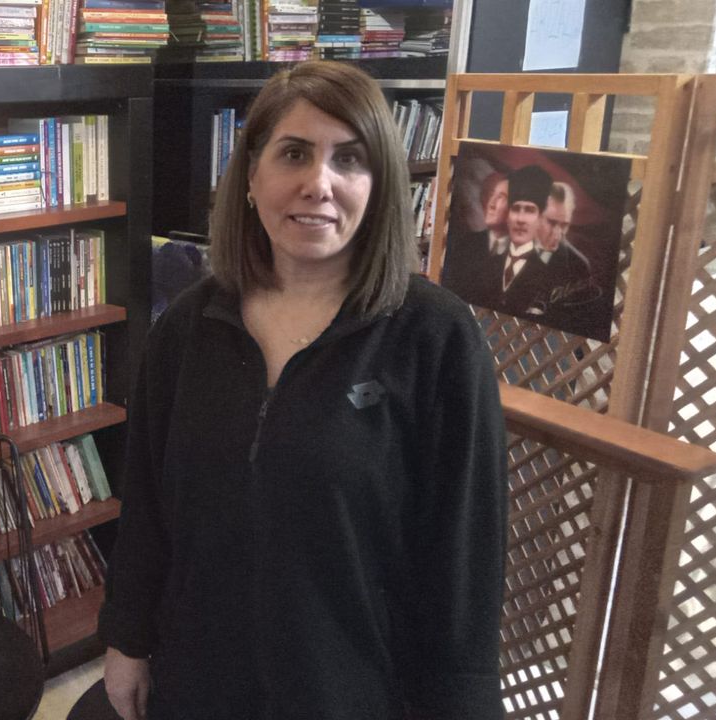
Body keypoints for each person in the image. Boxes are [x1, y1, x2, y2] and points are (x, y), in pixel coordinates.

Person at [98, 61, 507, 720]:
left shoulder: (435, 338)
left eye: (349, 159)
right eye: (294, 153)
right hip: (199, 684)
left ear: (379, 186)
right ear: (251, 176)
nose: (319, 183)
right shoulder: (187, 328)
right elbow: (146, 502)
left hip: (356, 694)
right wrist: (127, 640)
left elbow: (465, 557)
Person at [482, 165, 556, 317]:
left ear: (540, 218)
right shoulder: (488, 265)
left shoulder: (548, 276)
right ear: (507, 216)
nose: (520, 219)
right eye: (516, 209)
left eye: (529, 210)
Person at [441, 171, 508, 300]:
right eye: (488, 195)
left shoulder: (526, 252)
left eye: (500, 197)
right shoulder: (464, 246)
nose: (491, 203)